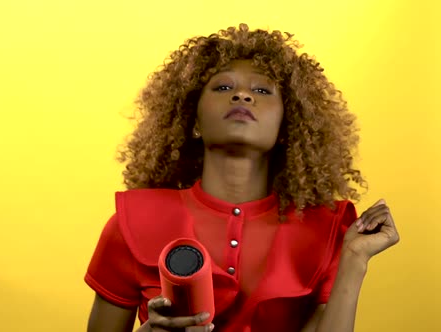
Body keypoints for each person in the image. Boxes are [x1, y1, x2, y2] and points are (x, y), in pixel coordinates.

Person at [83, 23, 400, 332]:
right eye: (223, 87)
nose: (242, 96)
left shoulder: (329, 229)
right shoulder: (131, 224)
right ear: (193, 122)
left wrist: (355, 261)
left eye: (262, 90)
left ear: (285, 130)